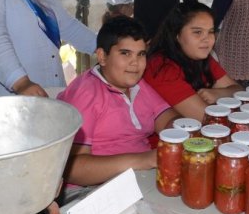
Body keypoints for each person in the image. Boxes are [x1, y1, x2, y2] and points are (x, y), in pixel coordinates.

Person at [57, 16, 178, 186]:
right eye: (125, 53)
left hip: (140, 179)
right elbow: (72, 168)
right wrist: (145, 160)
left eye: (141, 54)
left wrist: (182, 136)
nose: (135, 63)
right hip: (92, 191)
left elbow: (168, 120)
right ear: (102, 56)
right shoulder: (86, 94)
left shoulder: (138, 86)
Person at [144, 0, 242, 122]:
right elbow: (207, 119)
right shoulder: (161, 67)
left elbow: (239, 90)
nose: (206, 39)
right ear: (176, 35)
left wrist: (218, 94)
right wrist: (223, 96)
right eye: (197, 32)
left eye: (211, 32)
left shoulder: (200, 56)